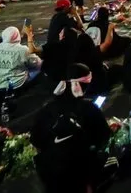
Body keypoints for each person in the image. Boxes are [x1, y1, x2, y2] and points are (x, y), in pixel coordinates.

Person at [30, 63, 113, 193]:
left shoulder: (47, 108)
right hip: (79, 170)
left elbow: (35, 139)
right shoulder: (89, 108)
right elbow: (103, 137)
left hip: (50, 172)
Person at [0, 26, 42, 92]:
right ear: (17, 37)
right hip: (17, 87)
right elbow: (38, 64)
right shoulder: (23, 49)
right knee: (39, 66)